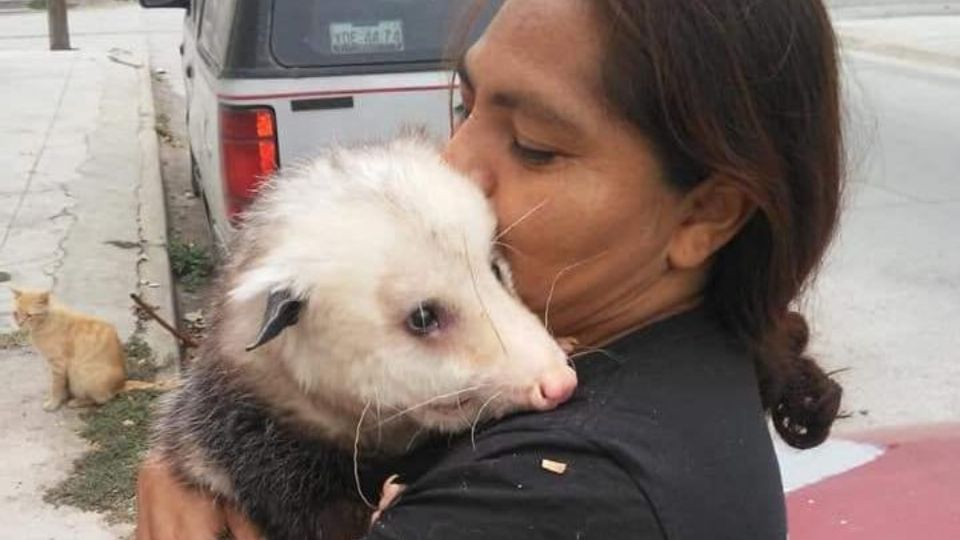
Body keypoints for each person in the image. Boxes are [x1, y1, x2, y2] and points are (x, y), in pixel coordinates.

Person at [136, 0, 845, 538]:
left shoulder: (540, 495)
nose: (454, 171)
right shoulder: (688, 357)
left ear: (705, 216)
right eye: (464, 106)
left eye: (535, 146)